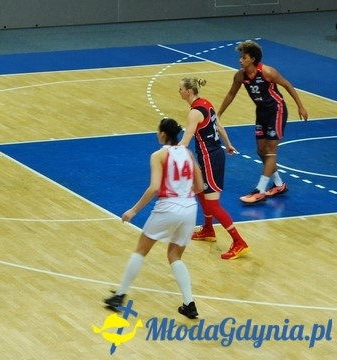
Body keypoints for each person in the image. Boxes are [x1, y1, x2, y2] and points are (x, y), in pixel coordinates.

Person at [104, 117, 204, 319]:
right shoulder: (187, 153)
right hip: (190, 208)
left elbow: (155, 187)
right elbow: (200, 186)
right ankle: (189, 303)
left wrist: (133, 211)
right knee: (175, 256)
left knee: (141, 250)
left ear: (163, 135)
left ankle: (120, 295)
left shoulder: (158, 155)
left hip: (168, 207)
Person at [217, 40, 308, 204]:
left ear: (252, 58)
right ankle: (279, 185)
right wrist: (219, 114)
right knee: (260, 151)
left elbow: (287, 85)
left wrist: (300, 106)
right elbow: (231, 94)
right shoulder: (239, 76)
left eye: (243, 57)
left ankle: (260, 190)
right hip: (261, 113)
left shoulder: (267, 72)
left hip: (277, 111)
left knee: (271, 150)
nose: (240, 60)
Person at [179, 77, 249, 260]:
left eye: (180, 89)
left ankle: (239, 242)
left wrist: (170, 151)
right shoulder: (207, 104)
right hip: (213, 155)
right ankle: (208, 229)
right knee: (198, 188)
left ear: (188, 91)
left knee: (213, 204)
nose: (179, 92)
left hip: (210, 157)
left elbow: (186, 140)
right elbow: (219, 125)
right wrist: (228, 144)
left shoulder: (194, 113)